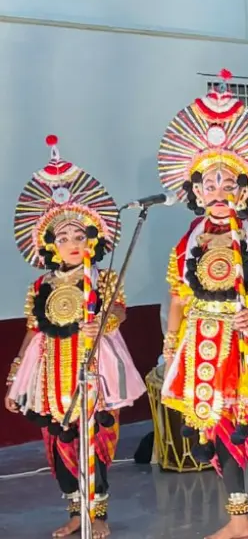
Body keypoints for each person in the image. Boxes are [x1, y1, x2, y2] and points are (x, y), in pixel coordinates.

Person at [158, 70, 248, 539]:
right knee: (218, 433)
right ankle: (238, 520)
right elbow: (177, 298)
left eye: (228, 186)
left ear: (244, 189)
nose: (218, 195)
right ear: (195, 192)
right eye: (209, 186)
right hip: (203, 348)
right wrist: (170, 346)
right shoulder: (186, 243)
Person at [5, 135, 145, 539]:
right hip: (50, 375)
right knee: (57, 443)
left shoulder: (103, 279)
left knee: (96, 441)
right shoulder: (41, 285)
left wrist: (105, 320)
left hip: (95, 370)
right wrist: (16, 378)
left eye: (78, 237)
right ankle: (74, 510)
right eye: (62, 238)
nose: (71, 244)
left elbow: (119, 310)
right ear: (50, 245)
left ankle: (97, 512)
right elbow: (32, 331)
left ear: (92, 240)